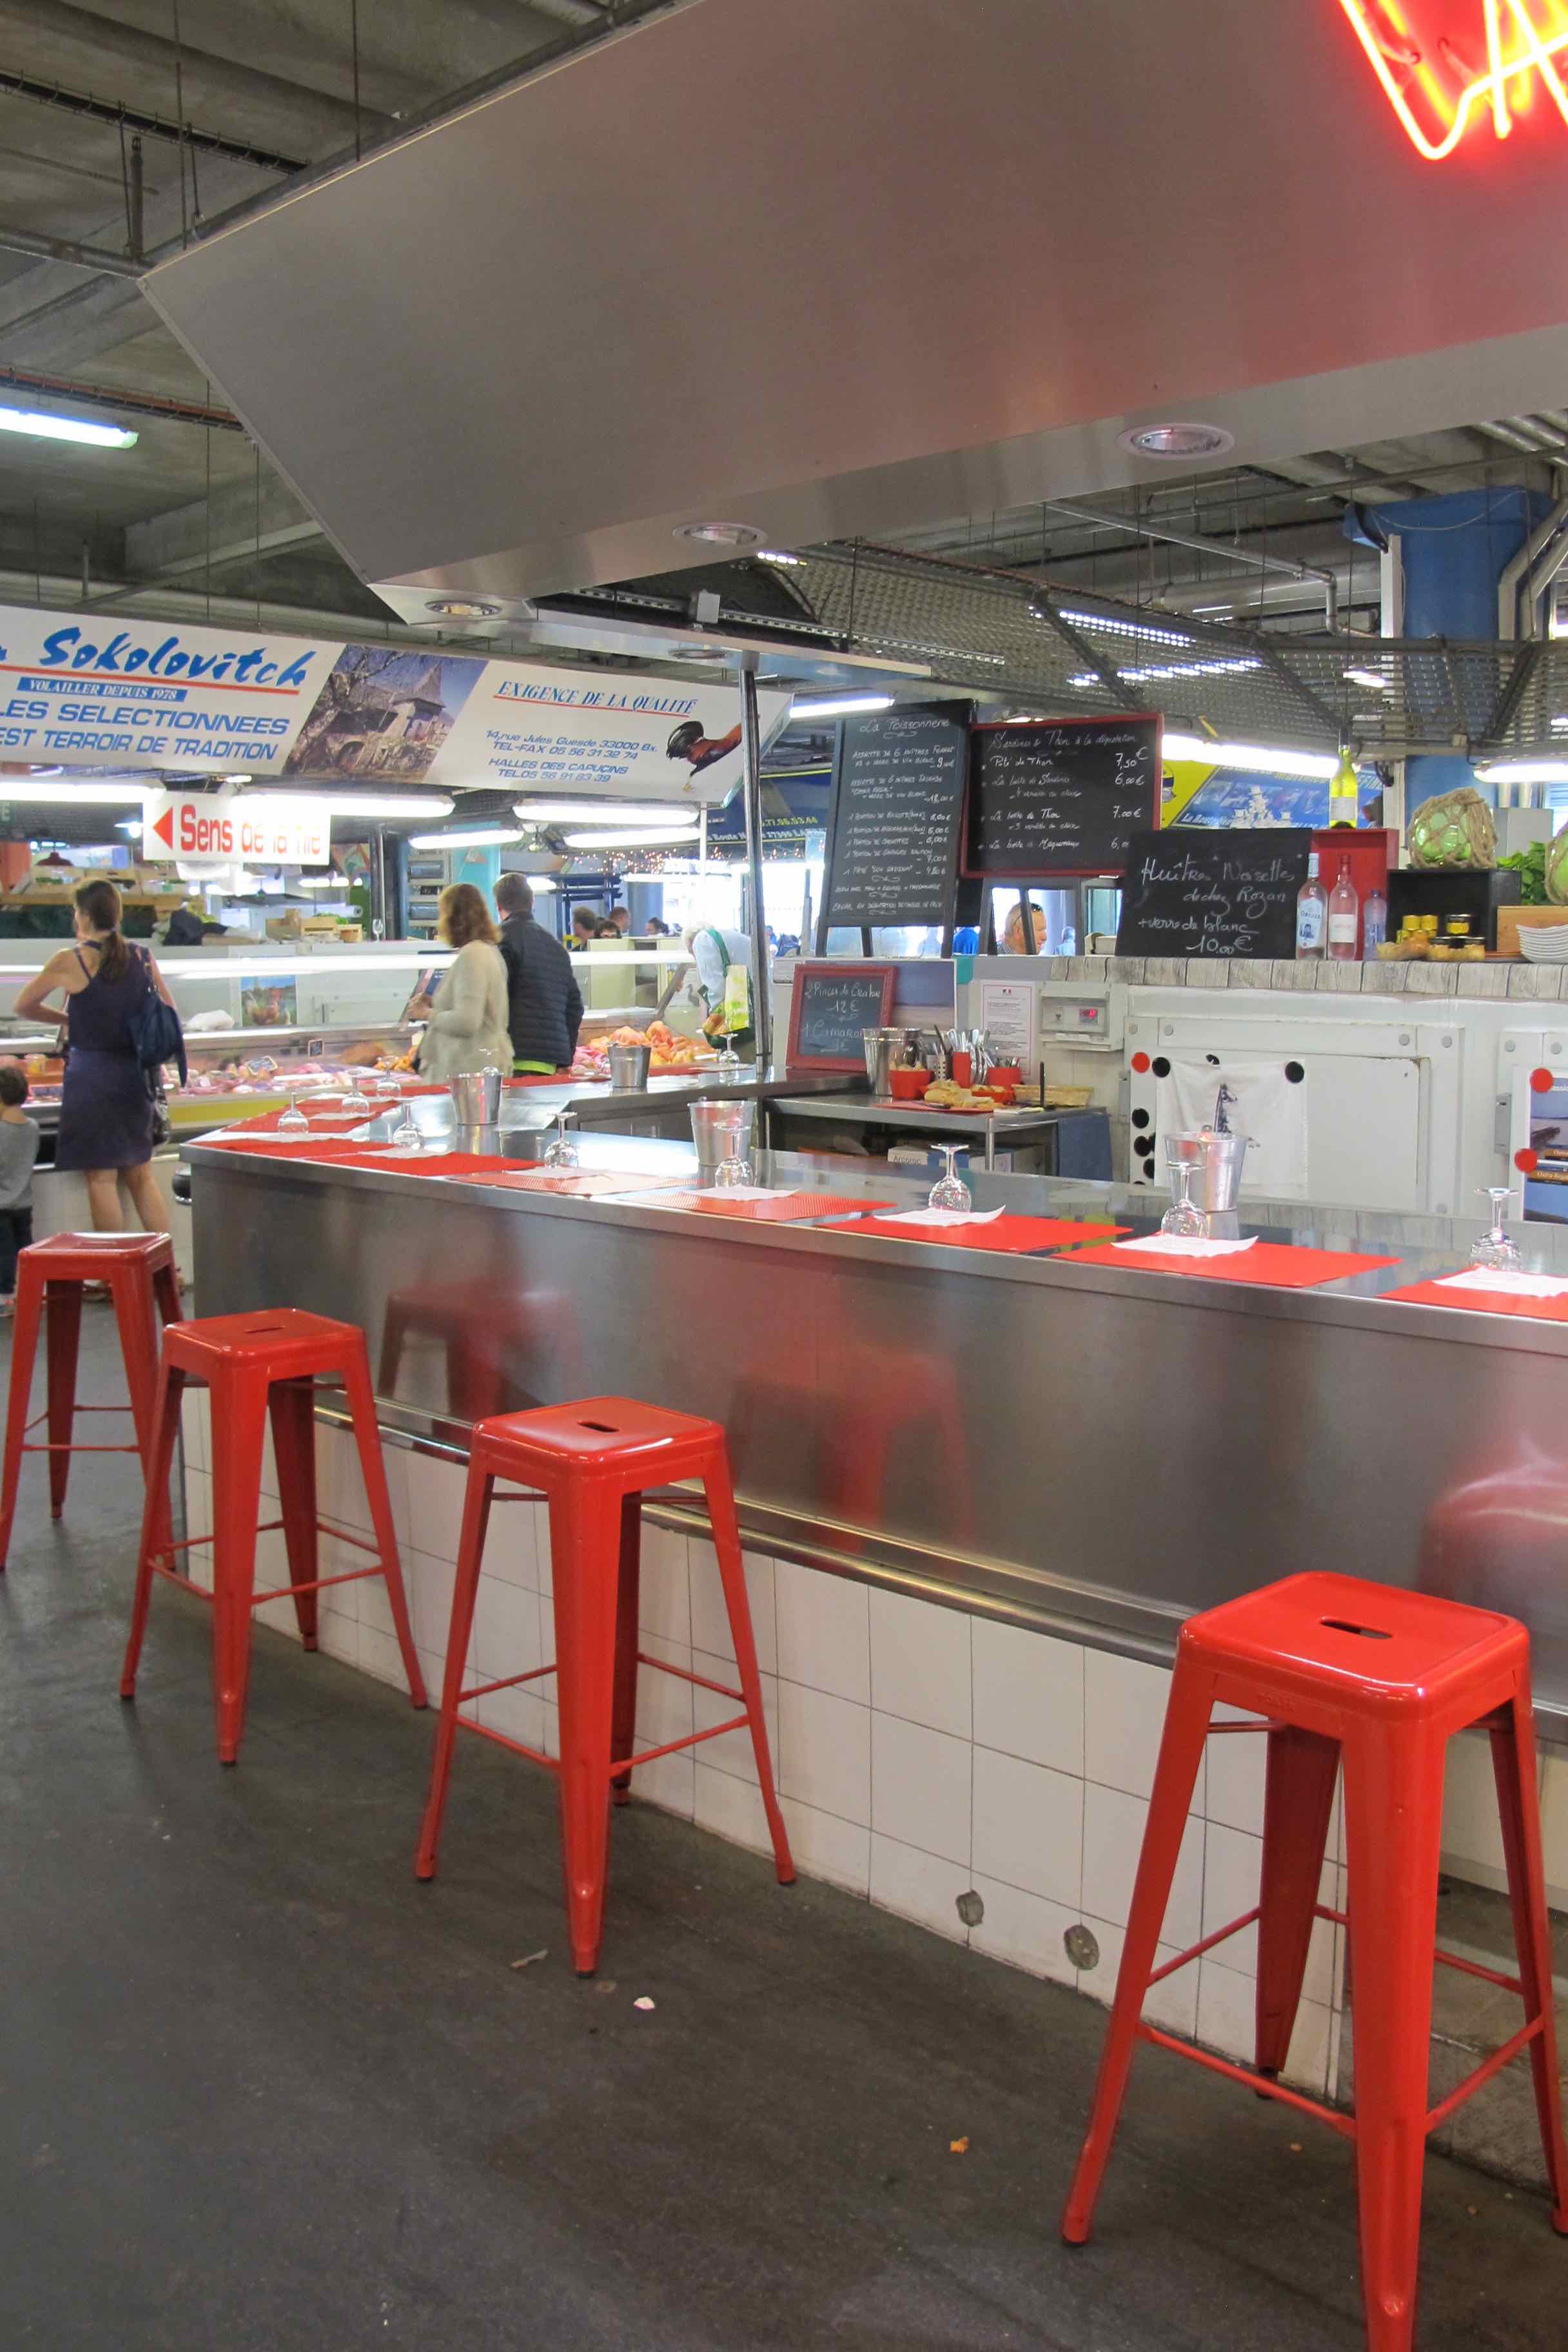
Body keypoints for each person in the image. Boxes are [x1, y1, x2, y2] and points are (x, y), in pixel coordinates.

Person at [15, 879, 175, 1236]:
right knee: (141, 1175)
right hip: (134, 1077)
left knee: (101, 1179)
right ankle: (166, 1262)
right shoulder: (142, 956)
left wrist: (67, 1019)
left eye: (76, 912)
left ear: (85, 916)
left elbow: (23, 1005)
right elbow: (169, 1010)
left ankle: (112, 1264)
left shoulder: (70, 960)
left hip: (92, 1078)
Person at [415, 883, 511, 1081]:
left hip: (468, 1073)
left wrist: (426, 1014)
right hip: (482, 1067)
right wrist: (438, 1005)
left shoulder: (472, 955)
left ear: (453, 917)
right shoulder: (489, 951)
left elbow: (467, 1021)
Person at [494, 873, 583, 1075]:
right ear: (532, 902)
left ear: (498, 906)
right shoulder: (556, 947)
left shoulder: (500, 939)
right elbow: (575, 1007)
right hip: (549, 1065)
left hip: (512, 1061)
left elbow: (496, 998)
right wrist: (565, 1057)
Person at [0, 1063, 39, 1311]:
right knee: (26, 1250)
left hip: (1, 1205)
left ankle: (4, 1297)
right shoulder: (33, 1127)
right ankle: (30, 1292)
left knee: (4, 1254)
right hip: (24, 1202)